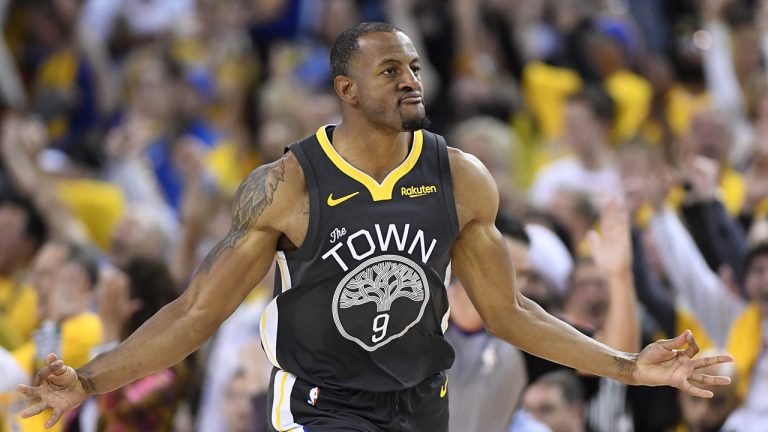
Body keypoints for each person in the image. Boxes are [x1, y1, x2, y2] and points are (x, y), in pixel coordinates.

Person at [18, 22, 732, 432]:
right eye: (390, 69)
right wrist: (89, 378)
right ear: (347, 89)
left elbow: (510, 313)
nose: (410, 80)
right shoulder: (287, 185)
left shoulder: (460, 176)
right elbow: (196, 312)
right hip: (324, 404)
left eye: (414, 67)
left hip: (423, 402)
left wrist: (628, 367)